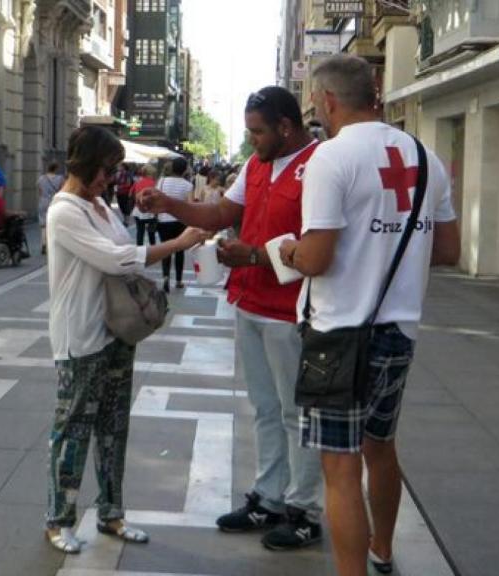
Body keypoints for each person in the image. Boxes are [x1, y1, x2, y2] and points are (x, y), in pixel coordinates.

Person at [277, 54, 460, 576]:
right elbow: (447, 251)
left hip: (338, 335)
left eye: (315, 100)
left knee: (339, 468)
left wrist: (288, 251)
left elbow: (317, 258)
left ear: (328, 100)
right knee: (381, 446)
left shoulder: (331, 160)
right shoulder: (426, 158)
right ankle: (382, 550)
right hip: (399, 331)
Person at [138, 86, 325, 551]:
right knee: (264, 408)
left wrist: (255, 256)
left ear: (286, 126)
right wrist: (170, 205)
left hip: (292, 309)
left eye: (257, 132)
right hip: (251, 303)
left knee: (295, 413)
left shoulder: (320, 165)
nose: (252, 140)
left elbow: (320, 246)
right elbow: (223, 212)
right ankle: (269, 497)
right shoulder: (257, 165)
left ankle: (303, 510)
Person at [44, 126, 204, 554]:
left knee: (115, 428)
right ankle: (58, 519)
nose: (111, 179)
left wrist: (157, 209)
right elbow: (115, 259)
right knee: (73, 430)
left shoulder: (100, 205)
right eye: (107, 169)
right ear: (85, 164)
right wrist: (177, 243)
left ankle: (111, 513)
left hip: (115, 332)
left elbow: (124, 245)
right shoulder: (64, 211)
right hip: (80, 337)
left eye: (114, 171)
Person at [155, 157, 194, 292]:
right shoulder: (187, 185)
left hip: (163, 220)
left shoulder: (162, 181)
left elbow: (157, 197)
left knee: (166, 249)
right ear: (184, 170)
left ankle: (166, 277)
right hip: (180, 222)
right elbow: (190, 205)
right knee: (179, 250)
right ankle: (178, 280)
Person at [37, 161, 64, 256]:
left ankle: (43, 243)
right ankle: (51, 244)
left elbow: (40, 191)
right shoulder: (60, 179)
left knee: (44, 224)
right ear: (55, 169)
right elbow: (62, 190)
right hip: (55, 202)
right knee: (54, 223)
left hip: (43, 201)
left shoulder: (41, 179)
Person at [131, 164, 159, 246]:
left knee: (140, 232)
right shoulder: (154, 183)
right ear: (151, 173)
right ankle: (153, 250)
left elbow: (134, 195)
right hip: (151, 211)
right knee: (151, 233)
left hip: (138, 210)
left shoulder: (137, 182)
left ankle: (139, 251)